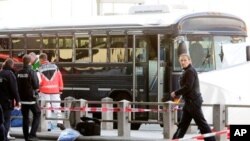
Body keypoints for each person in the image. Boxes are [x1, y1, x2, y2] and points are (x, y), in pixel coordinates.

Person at [170, 53, 215, 141]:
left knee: (202, 125)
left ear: (190, 61)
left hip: (193, 103)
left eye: (185, 60)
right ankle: (175, 140)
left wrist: (176, 93)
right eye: (181, 60)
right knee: (183, 125)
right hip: (189, 103)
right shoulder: (186, 71)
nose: (183, 62)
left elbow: (188, 86)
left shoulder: (190, 71)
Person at [16, 55, 41, 141]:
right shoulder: (32, 71)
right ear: (30, 62)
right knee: (37, 113)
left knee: (25, 118)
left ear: (23, 62)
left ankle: (26, 137)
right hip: (31, 99)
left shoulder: (18, 72)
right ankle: (32, 135)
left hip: (22, 99)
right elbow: (36, 86)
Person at [38, 53, 65, 130]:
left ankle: (49, 125)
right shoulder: (55, 67)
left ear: (41, 60)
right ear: (46, 59)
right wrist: (61, 89)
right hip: (55, 91)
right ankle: (60, 122)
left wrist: (38, 89)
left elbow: (39, 81)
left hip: (44, 91)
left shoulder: (40, 68)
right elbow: (60, 78)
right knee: (57, 107)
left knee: (47, 108)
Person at [0, 58, 21, 141]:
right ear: (12, 65)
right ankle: (4, 137)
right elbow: (14, 89)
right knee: (7, 119)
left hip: (0, 101)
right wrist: (18, 100)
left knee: (1, 120)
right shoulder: (10, 74)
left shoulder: (0, 73)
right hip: (7, 101)